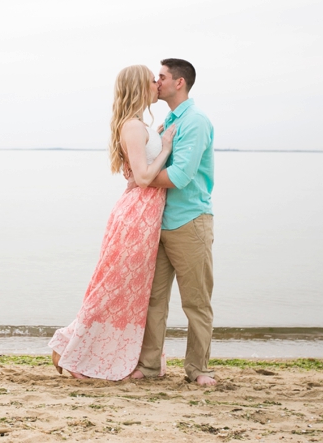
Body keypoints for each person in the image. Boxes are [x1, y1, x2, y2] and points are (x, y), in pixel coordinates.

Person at [49, 64, 176, 381]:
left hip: (146, 214)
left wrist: (159, 137)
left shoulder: (139, 126)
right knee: (113, 288)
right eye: (151, 81)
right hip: (136, 215)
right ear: (139, 87)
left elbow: (141, 170)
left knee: (130, 291)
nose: (155, 85)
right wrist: (167, 148)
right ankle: (73, 350)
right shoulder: (132, 127)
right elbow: (145, 178)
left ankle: (85, 349)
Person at [128, 58, 216, 386]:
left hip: (190, 221)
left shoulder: (195, 121)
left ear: (178, 83)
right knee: (154, 299)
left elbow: (180, 175)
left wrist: (142, 179)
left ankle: (199, 369)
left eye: (161, 77)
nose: (156, 82)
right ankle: (149, 366)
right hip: (159, 223)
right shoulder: (169, 120)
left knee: (196, 301)